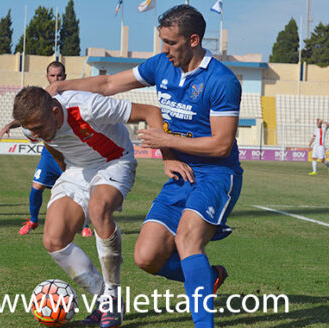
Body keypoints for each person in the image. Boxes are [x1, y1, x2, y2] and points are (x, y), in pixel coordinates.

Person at [46, 5, 243, 327]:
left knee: (187, 240)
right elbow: (109, 84)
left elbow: (221, 144)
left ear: (193, 40)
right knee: (146, 257)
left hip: (217, 174)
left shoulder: (221, 80)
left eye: (171, 43)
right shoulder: (160, 65)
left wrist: (166, 142)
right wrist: (64, 87)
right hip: (181, 173)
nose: (164, 50)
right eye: (162, 41)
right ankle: (207, 276)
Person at [13, 86, 165, 327]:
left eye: (39, 127)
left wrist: (170, 159)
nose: (35, 133)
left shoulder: (87, 107)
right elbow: (51, 146)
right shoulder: (31, 127)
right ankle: (103, 298)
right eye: (31, 129)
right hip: (76, 170)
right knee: (53, 240)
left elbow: (150, 111)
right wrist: (66, 172)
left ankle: (113, 296)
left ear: (55, 111)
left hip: (114, 161)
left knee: (97, 209)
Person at [0, 61, 93, 237]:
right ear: (47, 77)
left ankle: (85, 225)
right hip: (50, 153)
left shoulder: (73, 96)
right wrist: (10, 125)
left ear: (64, 77)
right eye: (52, 76)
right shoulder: (41, 98)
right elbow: (28, 117)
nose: (56, 79)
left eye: (59, 76)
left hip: (72, 153)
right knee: (36, 187)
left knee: (80, 189)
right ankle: (33, 221)